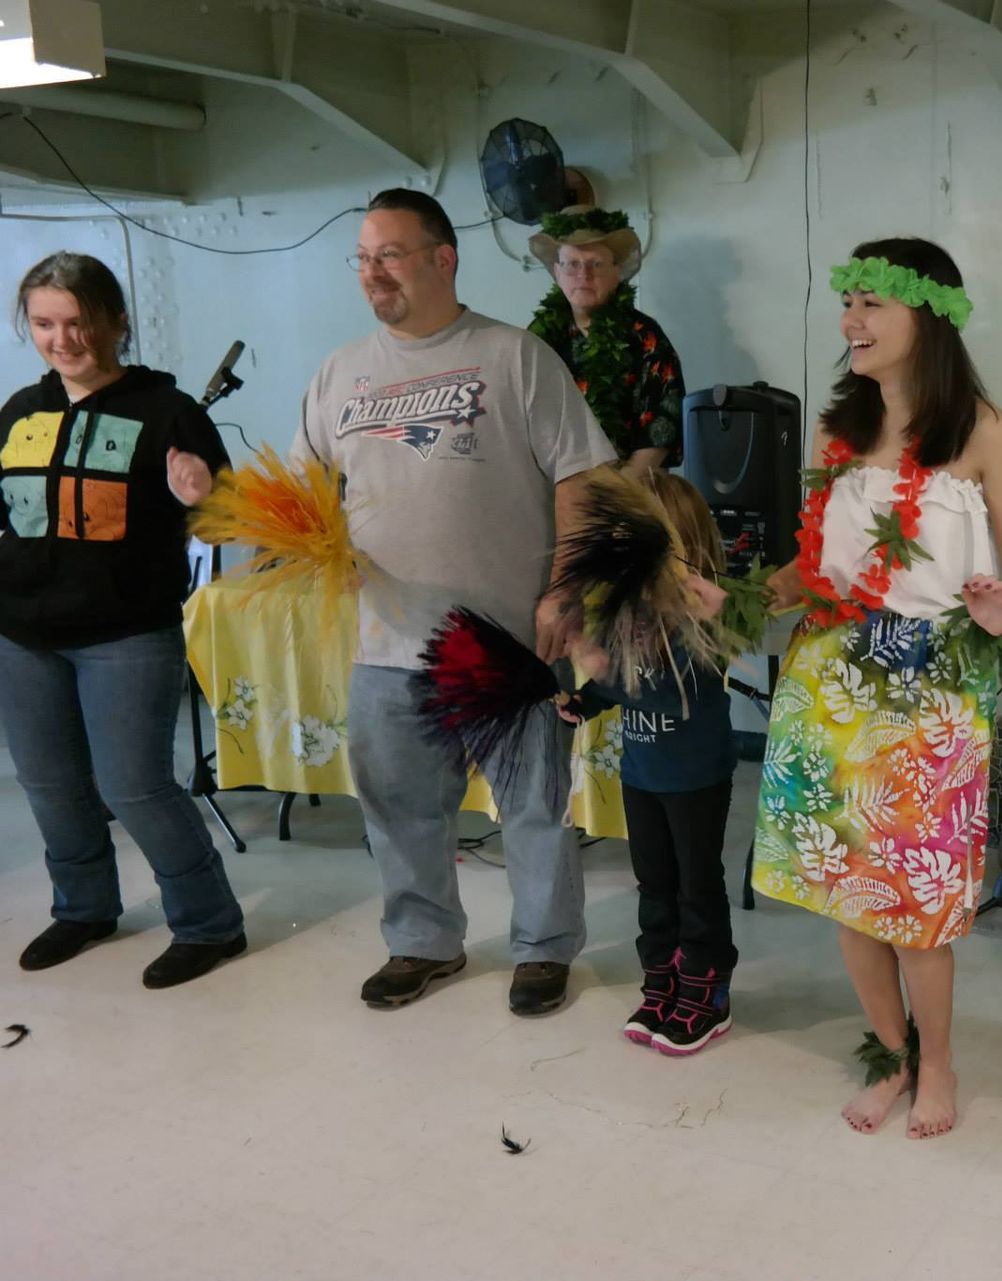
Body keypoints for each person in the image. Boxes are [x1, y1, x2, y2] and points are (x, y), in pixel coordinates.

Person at [294, 189, 615, 1016]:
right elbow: (303, 492)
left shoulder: (514, 357)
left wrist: (564, 587)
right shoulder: (339, 373)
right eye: (363, 258)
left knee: (534, 808)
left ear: (444, 258)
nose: (373, 274)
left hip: (508, 636)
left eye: (390, 255)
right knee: (399, 806)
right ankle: (423, 940)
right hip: (388, 640)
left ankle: (544, 949)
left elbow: (580, 471)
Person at [753, 238, 1002, 1138]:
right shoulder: (837, 430)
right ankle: (893, 1052)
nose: (852, 321)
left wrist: (1001, 611)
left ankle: (942, 1062)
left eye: (873, 302)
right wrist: (729, 600)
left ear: (932, 314)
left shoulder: (985, 433)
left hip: (931, 693)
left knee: (917, 908)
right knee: (850, 894)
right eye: (850, 303)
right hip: (829, 682)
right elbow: (812, 568)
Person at [0, 251, 246, 988]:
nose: (62, 338)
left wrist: (201, 494)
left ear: (114, 322)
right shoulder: (19, 411)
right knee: (48, 782)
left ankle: (209, 925)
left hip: (126, 634)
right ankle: (84, 907)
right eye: (44, 323)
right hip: (21, 634)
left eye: (77, 322)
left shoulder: (168, 411)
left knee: (135, 784)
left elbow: (225, 516)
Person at [564, 472, 739, 1056]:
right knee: (654, 884)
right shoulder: (628, 609)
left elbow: (668, 693)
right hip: (642, 773)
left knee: (696, 885)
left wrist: (597, 665)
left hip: (694, 778)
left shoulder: (700, 614)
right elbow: (621, 680)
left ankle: (707, 991)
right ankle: (661, 981)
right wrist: (584, 700)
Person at [528, 205, 685, 471]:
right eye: (572, 264)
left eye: (596, 264)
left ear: (616, 273)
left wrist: (617, 498)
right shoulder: (538, 338)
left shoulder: (645, 336)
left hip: (630, 494)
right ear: (557, 272)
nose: (583, 275)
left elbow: (662, 428)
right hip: (554, 495)